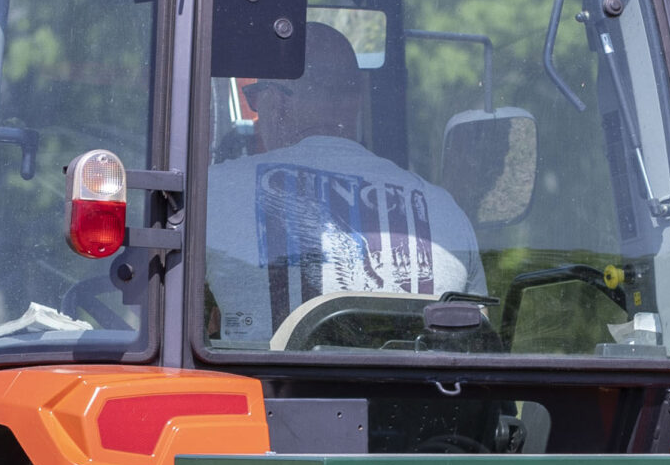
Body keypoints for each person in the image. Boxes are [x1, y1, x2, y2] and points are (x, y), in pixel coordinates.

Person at [205, 22, 483, 346]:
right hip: (415, 397)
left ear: (275, 100)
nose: (255, 111)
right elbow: (476, 350)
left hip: (271, 396)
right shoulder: (445, 210)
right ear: (357, 100)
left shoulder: (209, 195)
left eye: (253, 97)